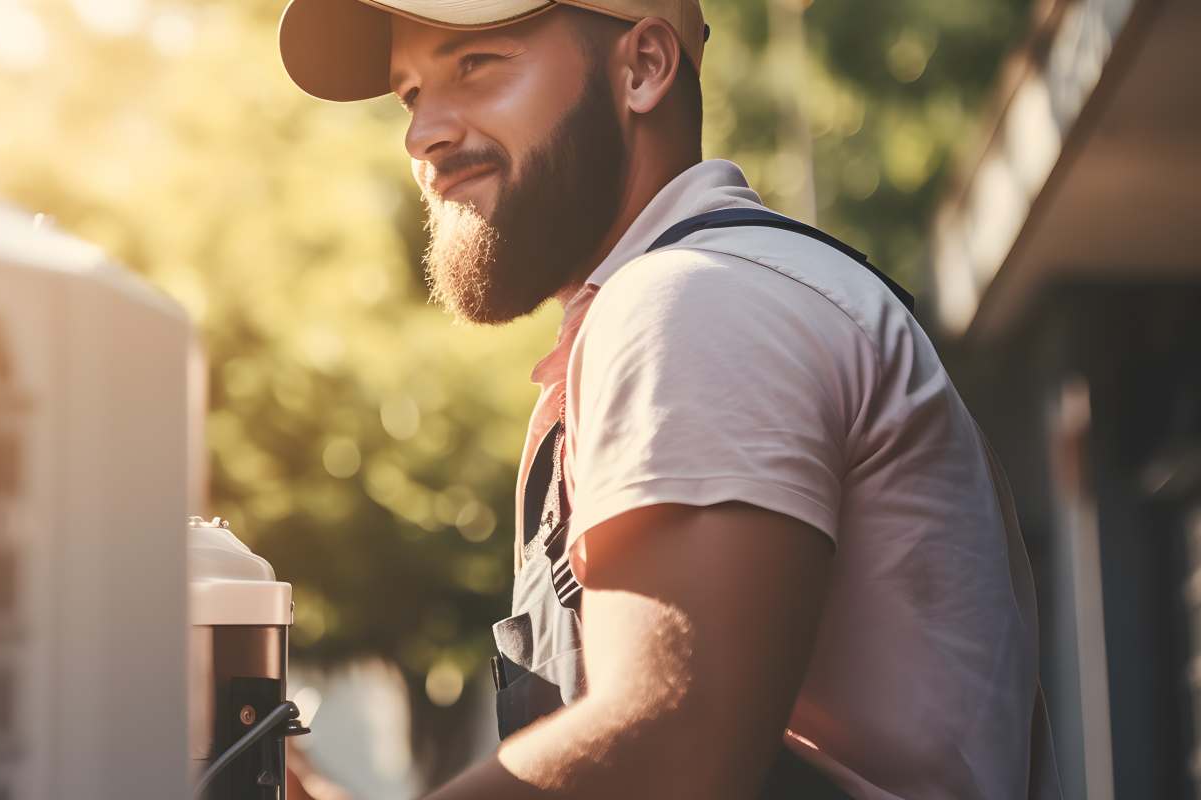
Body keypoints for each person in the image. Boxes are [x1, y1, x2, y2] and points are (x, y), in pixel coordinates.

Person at [277, 0, 1061, 797]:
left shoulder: (695, 303)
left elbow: (668, 754)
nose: (423, 135)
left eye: (475, 65)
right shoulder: (709, 296)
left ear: (645, 68)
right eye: (409, 94)